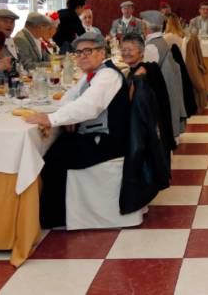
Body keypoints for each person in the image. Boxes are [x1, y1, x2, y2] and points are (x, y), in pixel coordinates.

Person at [24, 32, 130, 228]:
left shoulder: (108, 75)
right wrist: (64, 116)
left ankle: (55, 218)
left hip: (108, 141)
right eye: (79, 52)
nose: (82, 56)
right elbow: (71, 97)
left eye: (88, 51)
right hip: (94, 134)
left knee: (53, 158)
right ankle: (54, 213)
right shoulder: (92, 74)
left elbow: (89, 106)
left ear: (101, 53)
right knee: (56, 147)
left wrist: (51, 119)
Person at [141, 10, 187, 137]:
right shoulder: (162, 41)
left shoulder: (152, 47)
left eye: (143, 26)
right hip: (168, 87)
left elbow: (147, 75)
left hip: (159, 93)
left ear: (146, 28)